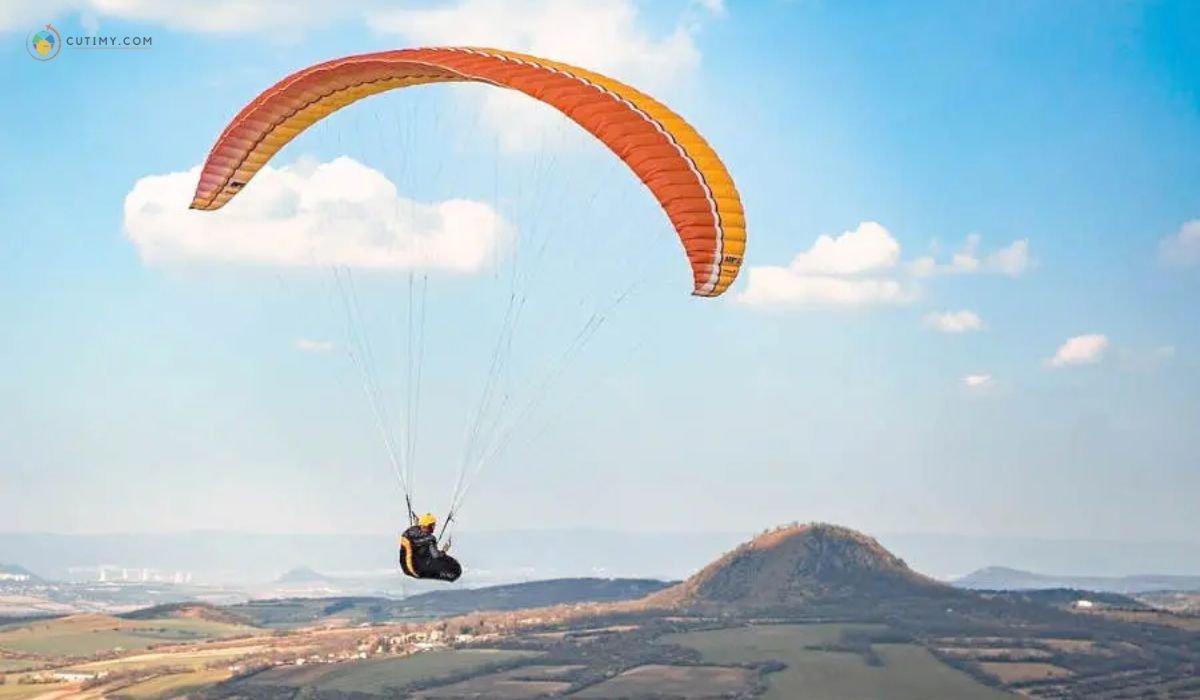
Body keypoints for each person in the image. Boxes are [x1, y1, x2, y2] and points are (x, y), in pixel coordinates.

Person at [399, 512, 462, 582]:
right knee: (454, 568)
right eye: (432, 526)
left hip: (405, 568)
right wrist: (444, 550)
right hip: (417, 570)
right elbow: (436, 555)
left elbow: (417, 534)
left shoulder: (408, 532)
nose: (434, 528)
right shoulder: (430, 539)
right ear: (428, 526)